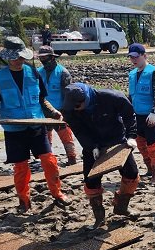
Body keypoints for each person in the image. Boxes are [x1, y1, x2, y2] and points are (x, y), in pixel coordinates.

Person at [0, 37, 70, 213]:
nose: (18, 60)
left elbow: (42, 100)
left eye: (21, 57)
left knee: (50, 161)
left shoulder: (33, 73)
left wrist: (53, 112)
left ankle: (57, 193)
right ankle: (24, 200)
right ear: (6, 57)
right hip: (14, 129)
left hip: (36, 125)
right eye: (14, 57)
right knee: (21, 167)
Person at [60, 83, 140, 227]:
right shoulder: (69, 110)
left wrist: (131, 136)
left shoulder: (111, 97)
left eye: (77, 106)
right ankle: (99, 217)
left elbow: (129, 115)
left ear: (85, 99)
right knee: (91, 180)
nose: (75, 110)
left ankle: (121, 207)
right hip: (93, 143)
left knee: (132, 173)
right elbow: (79, 131)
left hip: (117, 140)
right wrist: (91, 146)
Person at [126, 43, 155, 182]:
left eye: (136, 57)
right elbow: (131, 95)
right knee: (140, 143)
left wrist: (154, 112)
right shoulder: (132, 74)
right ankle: (149, 168)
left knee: (152, 144)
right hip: (137, 115)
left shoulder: (153, 72)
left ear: (144, 56)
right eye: (131, 57)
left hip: (149, 116)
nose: (134, 60)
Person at [36, 46, 78, 165]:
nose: (43, 60)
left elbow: (68, 94)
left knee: (66, 136)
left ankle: (72, 158)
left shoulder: (63, 73)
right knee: (45, 136)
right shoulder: (39, 72)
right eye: (41, 58)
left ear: (52, 57)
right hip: (43, 111)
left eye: (45, 58)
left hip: (60, 110)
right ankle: (48, 159)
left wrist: (67, 112)